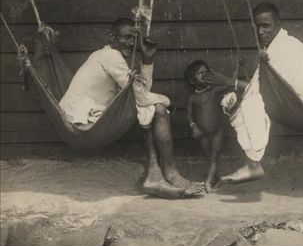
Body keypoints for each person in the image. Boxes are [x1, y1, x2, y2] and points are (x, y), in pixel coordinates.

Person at [59, 17, 205, 198]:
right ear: (111, 37)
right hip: (81, 122)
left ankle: (155, 175)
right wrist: (168, 101)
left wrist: (147, 60)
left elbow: (141, 93)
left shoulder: (106, 55)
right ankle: (169, 173)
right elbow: (142, 97)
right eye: (126, 37)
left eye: (133, 39)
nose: (130, 43)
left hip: (86, 117)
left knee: (151, 110)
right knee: (158, 108)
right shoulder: (111, 56)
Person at [202, 2, 303, 187]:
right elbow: (261, 83)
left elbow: (261, 88)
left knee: (251, 103)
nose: (260, 32)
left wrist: (228, 82)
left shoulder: (285, 48)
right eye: (257, 26)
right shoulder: (276, 45)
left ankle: (253, 164)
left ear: (278, 25)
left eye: (266, 26)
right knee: (246, 102)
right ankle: (252, 163)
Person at [184, 60, 229, 193]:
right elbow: (189, 116)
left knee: (213, 157)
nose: (204, 75)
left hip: (217, 132)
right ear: (192, 80)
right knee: (210, 157)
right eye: (200, 73)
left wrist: (214, 75)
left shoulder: (214, 91)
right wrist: (194, 127)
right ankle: (219, 178)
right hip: (202, 134)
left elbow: (227, 83)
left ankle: (208, 182)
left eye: (206, 72)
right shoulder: (192, 98)